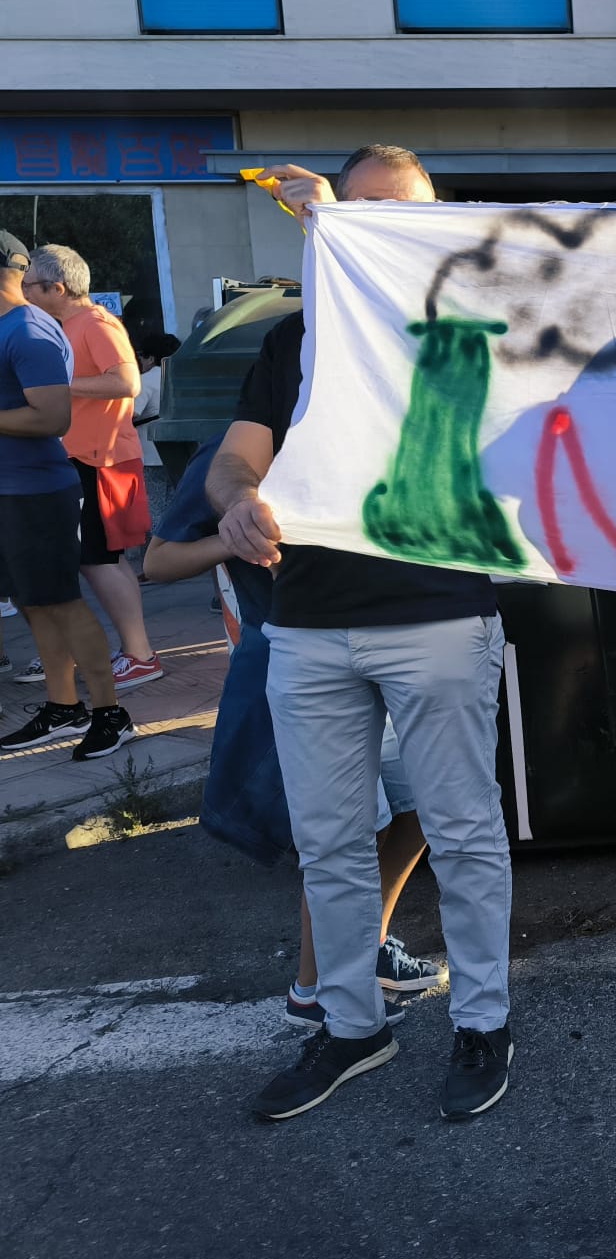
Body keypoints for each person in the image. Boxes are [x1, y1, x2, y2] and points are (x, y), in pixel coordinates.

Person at [211, 145, 513, 1124]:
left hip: (436, 612)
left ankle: (483, 1024)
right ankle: (350, 1026)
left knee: (464, 834)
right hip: (306, 621)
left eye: (399, 219)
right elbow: (233, 465)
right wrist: (236, 504)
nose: (375, 233)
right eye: (358, 217)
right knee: (329, 841)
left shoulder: (467, 332)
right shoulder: (291, 342)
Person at [145, 437, 446, 1030]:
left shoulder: (366, 422)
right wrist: (232, 535)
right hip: (298, 661)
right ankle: (315, 988)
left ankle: (366, 948)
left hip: (387, 652)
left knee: (421, 808)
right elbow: (157, 562)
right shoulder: (229, 454)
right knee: (344, 834)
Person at [0, 231, 132, 759]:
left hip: (36, 493)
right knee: (34, 603)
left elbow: (52, 416)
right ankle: (62, 706)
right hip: (10, 491)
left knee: (62, 602)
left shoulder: (28, 330)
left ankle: (110, 712)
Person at [17, 245, 162, 690]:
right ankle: (81, 651)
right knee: (87, 559)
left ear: (55, 288)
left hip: (100, 460)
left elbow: (127, 382)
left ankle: (140, 656)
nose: (19, 293)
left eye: (27, 286)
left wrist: (58, 385)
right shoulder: (66, 324)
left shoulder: (95, 322)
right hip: (80, 458)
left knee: (100, 560)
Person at [131, 329, 181, 551]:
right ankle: (179, 548)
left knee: (156, 505)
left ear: (150, 357)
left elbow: (131, 412)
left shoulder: (146, 380)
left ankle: (163, 554)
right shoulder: (179, 376)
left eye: (141, 356)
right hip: (179, 450)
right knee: (175, 504)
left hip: (151, 453)